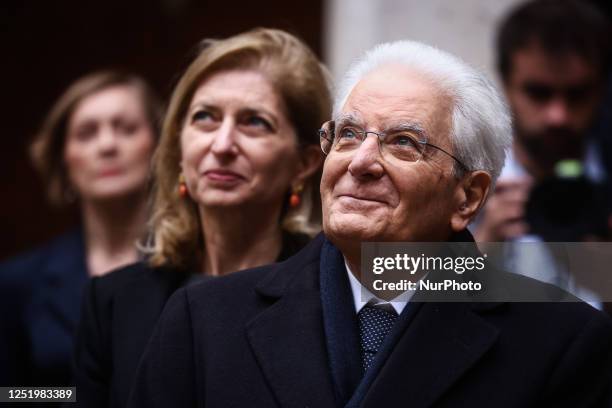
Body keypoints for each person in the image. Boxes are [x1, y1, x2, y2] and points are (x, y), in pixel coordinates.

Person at [127, 40, 612, 407]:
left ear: (467, 196)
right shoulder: (203, 321)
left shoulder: (560, 339)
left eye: (403, 142)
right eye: (348, 134)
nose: (361, 161)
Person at [73, 28, 331, 408]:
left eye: (255, 122)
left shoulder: (332, 294)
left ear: (304, 163)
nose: (222, 144)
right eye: (205, 118)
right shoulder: (113, 302)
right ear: (179, 145)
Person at [0, 71, 161, 388]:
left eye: (126, 129)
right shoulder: (16, 282)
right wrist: (70, 398)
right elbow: (9, 395)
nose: (107, 145)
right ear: (64, 160)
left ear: (159, 146)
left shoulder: (197, 266)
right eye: (86, 134)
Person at [474, 0, 612, 307]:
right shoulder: (464, 183)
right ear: (506, 85)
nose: (558, 116)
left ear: (601, 89)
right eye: (538, 93)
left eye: (577, 95)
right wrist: (481, 248)